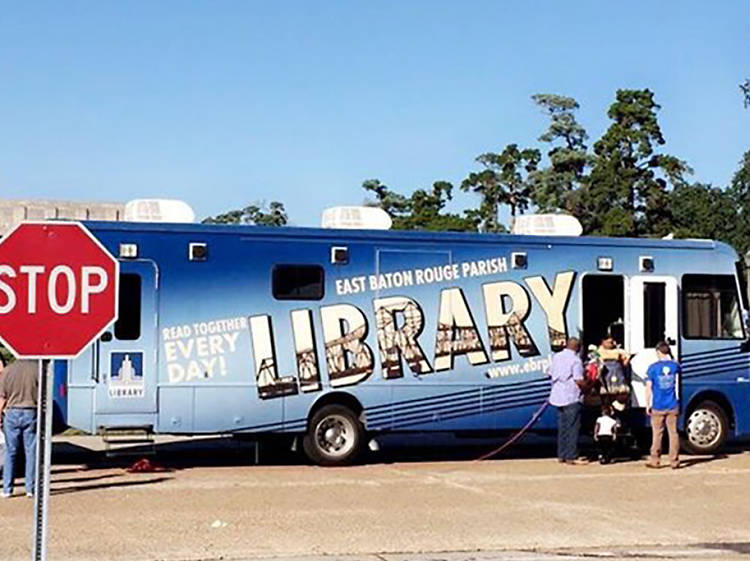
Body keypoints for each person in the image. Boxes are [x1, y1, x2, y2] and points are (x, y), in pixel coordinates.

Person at [0, 359, 38, 498]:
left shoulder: (8, 371)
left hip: (12, 412)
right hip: (31, 411)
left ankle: (7, 488)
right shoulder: (37, 369)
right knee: (31, 452)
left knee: (11, 452)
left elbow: (2, 397)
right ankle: (30, 488)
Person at [547, 337, 589, 465]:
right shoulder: (576, 360)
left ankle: (562, 455)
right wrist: (588, 388)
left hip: (557, 395)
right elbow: (578, 379)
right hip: (571, 396)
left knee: (562, 427)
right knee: (573, 427)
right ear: (578, 347)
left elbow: (549, 372)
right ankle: (572, 455)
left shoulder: (557, 357)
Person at [645, 341, 681, 469]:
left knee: (657, 433)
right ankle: (674, 461)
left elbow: (648, 387)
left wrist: (647, 403)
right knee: (673, 433)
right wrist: (670, 355)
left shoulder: (652, 368)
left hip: (658, 405)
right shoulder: (674, 366)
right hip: (672, 404)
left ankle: (655, 460)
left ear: (658, 352)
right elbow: (678, 364)